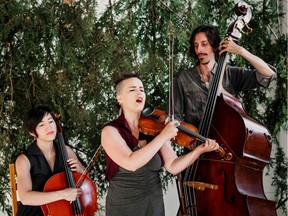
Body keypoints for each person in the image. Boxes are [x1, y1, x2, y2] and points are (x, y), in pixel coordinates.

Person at [101, 72, 219, 216]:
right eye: (132, 89)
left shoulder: (155, 128)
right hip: (124, 205)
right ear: (119, 98)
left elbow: (173, 166)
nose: (139, 93)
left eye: (142, 89)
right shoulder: (110, 131)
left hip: (154, 203)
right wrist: (163, 136)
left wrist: (198, 151)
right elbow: (131, 163)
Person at [173, 24, 277, 127]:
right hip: (195, 143)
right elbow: (174, 119)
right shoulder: (183, 78)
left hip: (226, 141)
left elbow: (268, 75)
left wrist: (241, 51)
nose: (199, 50)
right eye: (196, 45)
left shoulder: (231, 74)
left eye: (204, 44)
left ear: (214, 46)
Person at [15, 106, 85, 216]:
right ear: (32, 133)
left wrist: (80, 169)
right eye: (42, 125)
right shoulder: (23, 160)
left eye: (51, 121)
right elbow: (25, 198)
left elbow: (87, 180)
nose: (49, 127)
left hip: (63, 211)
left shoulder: (66, 151)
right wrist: (62, 194)